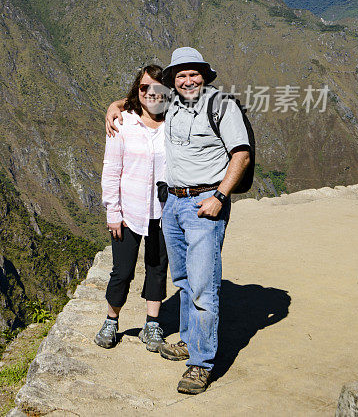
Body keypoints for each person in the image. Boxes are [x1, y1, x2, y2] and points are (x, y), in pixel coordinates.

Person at [106, 47, 250, 395]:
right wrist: (113, 108)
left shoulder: (221, 105)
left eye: (194, 73)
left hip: (204, 203)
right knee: (184, 279)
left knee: (203, 285)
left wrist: (219, 197)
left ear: (205, 75)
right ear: (172, 81)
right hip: (172, 203)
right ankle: (189, 339)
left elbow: (241, 154)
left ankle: (200, 364)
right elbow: (140, 101)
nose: (188, 80)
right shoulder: (172, 105)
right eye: (180, 75)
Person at [94, 65, 170, 353]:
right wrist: (112, 212)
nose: (150, 93)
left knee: (157, 268)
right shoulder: (122, 123)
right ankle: (111, 320)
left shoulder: (174, 122)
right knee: (122, 270)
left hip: (163, 212)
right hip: (128, 212)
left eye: (157, 88)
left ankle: (152, 324)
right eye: (144, 88)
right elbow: (111, 170)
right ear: (137, 90)